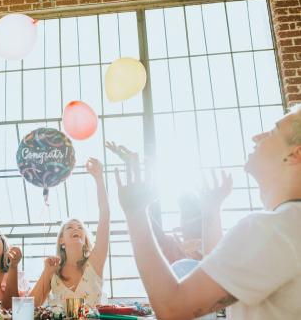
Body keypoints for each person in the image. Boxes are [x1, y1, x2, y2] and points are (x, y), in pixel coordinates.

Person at [113, 105, 301, 319]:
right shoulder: (289, 224)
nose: (257, 136)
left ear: (295, 154)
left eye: (273, 131)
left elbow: (172, 308)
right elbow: (223, 275)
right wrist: (211, 209)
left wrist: (135, 212)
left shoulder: (272, 229)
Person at [30, 158, 110, 308]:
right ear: (61, 241)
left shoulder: (95, 262)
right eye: (70, 227)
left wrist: (99, 178)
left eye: (80, 227)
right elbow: (29, 307)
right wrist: (47, 272)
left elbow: (105, 215)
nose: (76, 229)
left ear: (86, 238)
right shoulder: (53, 272)